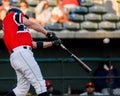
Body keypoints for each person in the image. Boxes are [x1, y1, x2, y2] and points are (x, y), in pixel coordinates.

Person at [2, 7, 62, 96]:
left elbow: (34, 44)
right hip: (22, 53)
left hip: (19, 55)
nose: (24, 18)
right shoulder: (11, 16)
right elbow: (31, 24)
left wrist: (52, 43)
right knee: (40, 84)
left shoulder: (17, 31)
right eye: (23, 16)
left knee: (21, 89)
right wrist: (47, 33)